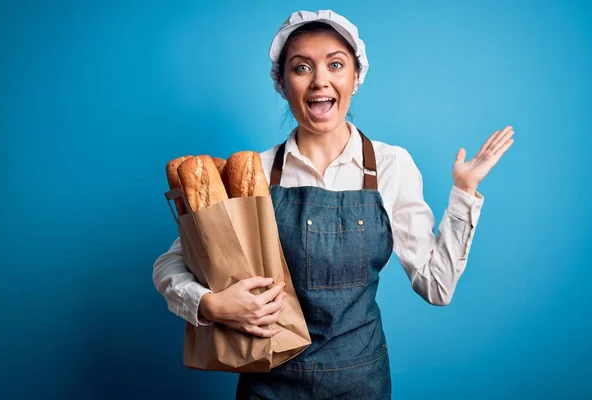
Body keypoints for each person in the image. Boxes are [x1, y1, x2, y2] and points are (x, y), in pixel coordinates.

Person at [152, 9, 514, 400]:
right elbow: (171, 263)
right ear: (281, 83)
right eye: (302, 67)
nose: (320, 80)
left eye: (336, 64)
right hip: (268, 384)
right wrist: (210, 305)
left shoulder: (392, 167)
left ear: (356, 77)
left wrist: (464, 192)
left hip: (360, 382)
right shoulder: (255, 170)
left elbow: (436, 286)